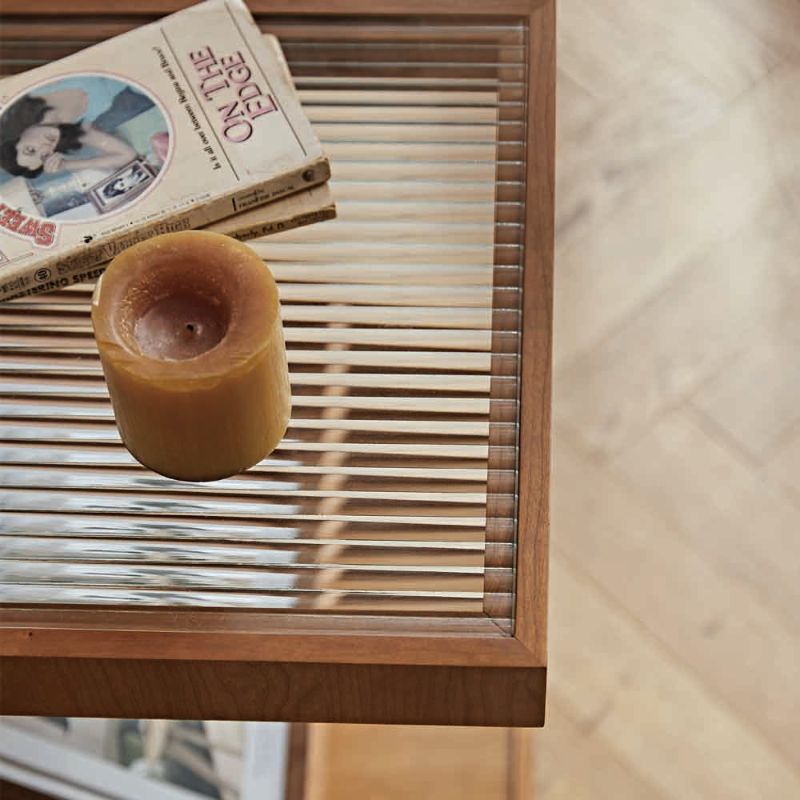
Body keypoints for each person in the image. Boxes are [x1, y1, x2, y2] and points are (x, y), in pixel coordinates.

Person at [0, 85, 153, 179]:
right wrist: (66, 165)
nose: (46, 147)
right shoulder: (75, 128)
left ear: (17, 134)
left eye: (30, 149)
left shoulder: (33, 91)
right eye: (44, 156)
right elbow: (127, 155)